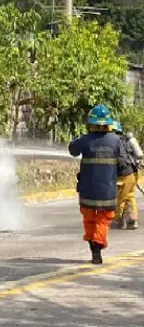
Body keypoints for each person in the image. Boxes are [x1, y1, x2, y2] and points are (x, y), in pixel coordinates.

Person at [68, 105, 129, 264]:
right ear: (109, 123)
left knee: (89, 219)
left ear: (91, 122)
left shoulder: (84, 139)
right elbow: (124, 165)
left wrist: (77, 139)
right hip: (107, 191)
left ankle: (93, 247)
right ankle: (97, 246)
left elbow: (72, 150)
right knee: (103, 219)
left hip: (87, 190)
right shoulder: (116, 140)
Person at [113, 121, 139, 230]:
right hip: (134, 173)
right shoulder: (126, 141)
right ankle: (133, 219)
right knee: (130, 196)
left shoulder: (114, 143)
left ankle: (120, 220)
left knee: (121, 198)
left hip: (123, 175)